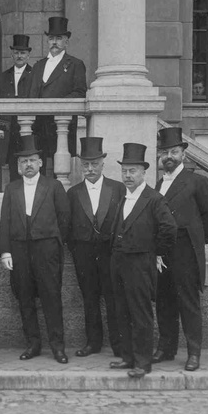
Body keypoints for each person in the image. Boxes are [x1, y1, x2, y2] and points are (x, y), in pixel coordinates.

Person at [153, 126, 208, 372]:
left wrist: (197, 240)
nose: (168, 157)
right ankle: (166, 348)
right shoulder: (159, 184)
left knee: (188, 302)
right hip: (163, 250)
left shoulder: (196, 182)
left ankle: (194, 352)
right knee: (164, 300)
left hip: (185, 250)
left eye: (173, 152)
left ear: (183, 154)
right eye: (164, 152)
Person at [108, 143, 177, 379]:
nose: (127, 176)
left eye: (133, 171)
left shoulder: (154, 199)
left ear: (143, 173)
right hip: (119, 262)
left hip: (140, 263)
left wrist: (154, 252)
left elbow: (169, 229)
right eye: (124, 171)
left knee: (140, 314)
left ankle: (143, 362)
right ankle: (128, 357)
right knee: (122, 312)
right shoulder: (122, 197)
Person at [0, 139, 70, 363]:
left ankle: (58, 347)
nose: (28, 164)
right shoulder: (12, 188)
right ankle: (33, 344)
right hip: (20, 251)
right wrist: (6, 252)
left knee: (51, 297)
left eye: (31, 160)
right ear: (19, 166)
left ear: (40, 163)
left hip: (46, 250)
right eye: (23, 161)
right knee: (25, 299)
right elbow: (6, 222)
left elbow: (65, 219)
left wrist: (55, 245)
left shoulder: (54, 186)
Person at [66, 136, 125, 357]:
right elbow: (67, 226)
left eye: (94, 164)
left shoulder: (117, 189)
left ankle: (118, 344)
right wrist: (77, 250)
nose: (90, 169)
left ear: (103, 163)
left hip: (110, 254)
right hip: (84, 255)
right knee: (89, 298)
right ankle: (93, 342)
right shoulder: (73, 193)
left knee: (113, 297)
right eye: (86, 165)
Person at [29, 16, 87, 167]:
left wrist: (57, 104)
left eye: (59, 38)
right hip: (39, 125)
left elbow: (80, 92)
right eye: (51, 38)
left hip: (61, 125)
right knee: (37, 167)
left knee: (60, 168)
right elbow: (31, 95)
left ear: (66, 41)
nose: (54, 42)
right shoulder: (38, 66)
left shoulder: (75, 64)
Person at [0, 33, 34, 187]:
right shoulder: (3, 76)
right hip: (9, 126)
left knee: (30, 159)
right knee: (12, 161)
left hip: (28, 125)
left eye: (23, 53)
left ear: (28, 55)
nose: (19, 56)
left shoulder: (35, 74)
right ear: (12, 54)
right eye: (16, 52)